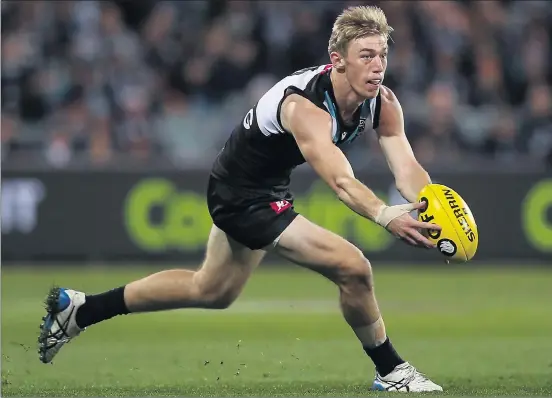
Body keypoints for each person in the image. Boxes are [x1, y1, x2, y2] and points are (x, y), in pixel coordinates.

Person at [38, 5, 443, 392]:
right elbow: (340, 181)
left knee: (212, 290)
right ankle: (391, 370)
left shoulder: (383, 103)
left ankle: (81, 309)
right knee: (353, 267)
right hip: (241, 196)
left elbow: (406, 166)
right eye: (366, 55)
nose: (378, 65)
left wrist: (434, 203)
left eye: (383, 55)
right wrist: (385, 214)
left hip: (263, 189)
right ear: (338, 60)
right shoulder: (305, 106)